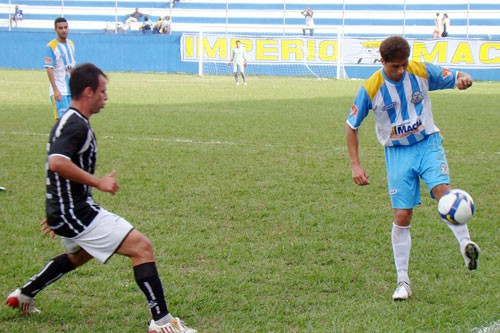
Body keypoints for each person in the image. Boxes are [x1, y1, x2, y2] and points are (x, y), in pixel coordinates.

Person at [5, 63, 197, 333]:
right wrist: (98, 183)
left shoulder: (70, 121)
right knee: (142, 247)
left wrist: (55, 211)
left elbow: (59, 167)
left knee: (80, 256)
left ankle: (25, 293)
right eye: (103, 92)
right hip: (74, 212)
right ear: (88, 92)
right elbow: (57, 163)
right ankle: (162, 323)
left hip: (66, 211)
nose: (106, 97)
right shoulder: (76, 126)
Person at [345, 36, 480, 301]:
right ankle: (403, 281)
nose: (401, 70)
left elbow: (456, 75)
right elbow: (351, 125)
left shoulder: (419, 70)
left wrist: (465, 79)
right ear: (382, 61)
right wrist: (355, 164)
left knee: (444, 192)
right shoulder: (371, 88)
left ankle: (466, 244)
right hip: (397, 154)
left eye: (404, 64)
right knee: (402, 216)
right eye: (395, 66)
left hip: (428, 144)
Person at [44, 17, 76, 120]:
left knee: (73, 120)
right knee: (63, 122)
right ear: (55, 30)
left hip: (71, 89)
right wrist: (55, 90)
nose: (64, 30)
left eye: (65, 27)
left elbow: (72, 67)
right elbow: (49, 69)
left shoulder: (71, 44)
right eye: (60, 28)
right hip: (60, 90)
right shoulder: (51, 47)